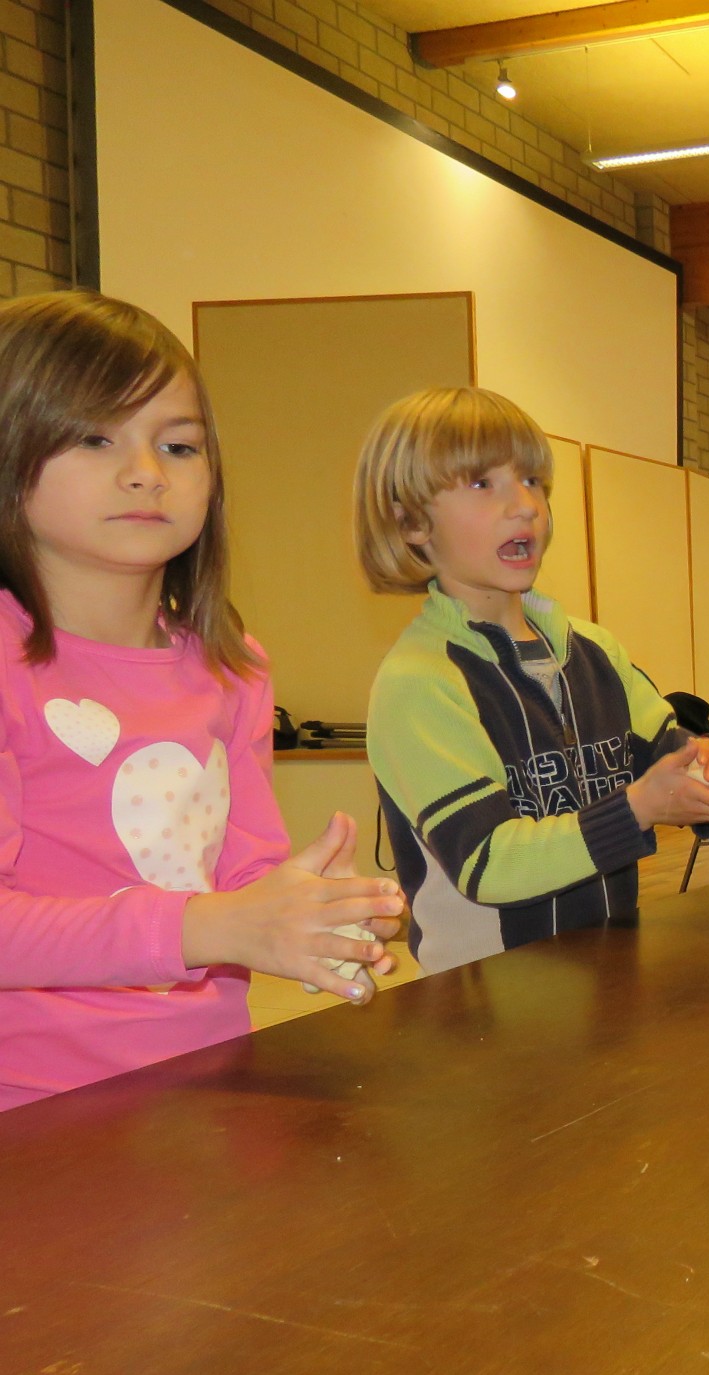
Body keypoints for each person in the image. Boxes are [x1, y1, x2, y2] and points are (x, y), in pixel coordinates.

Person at [0, 292, 406, 1110]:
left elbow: (240, 868)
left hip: (207, 1081)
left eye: (179, 445)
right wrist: (206, 927)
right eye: (93, 436)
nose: (147, 471)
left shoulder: (231, 666)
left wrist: (310, 910)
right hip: (33, 1105)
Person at [357, 388, 709, 975]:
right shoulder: (420, 682)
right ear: (411, 521)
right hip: (486, 1007)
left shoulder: (595, 649)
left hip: (608, 980)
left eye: (532, 481)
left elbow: (666, 759)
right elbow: (486, 862)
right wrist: (638, 810)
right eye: (482, 483)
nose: (524, 505)